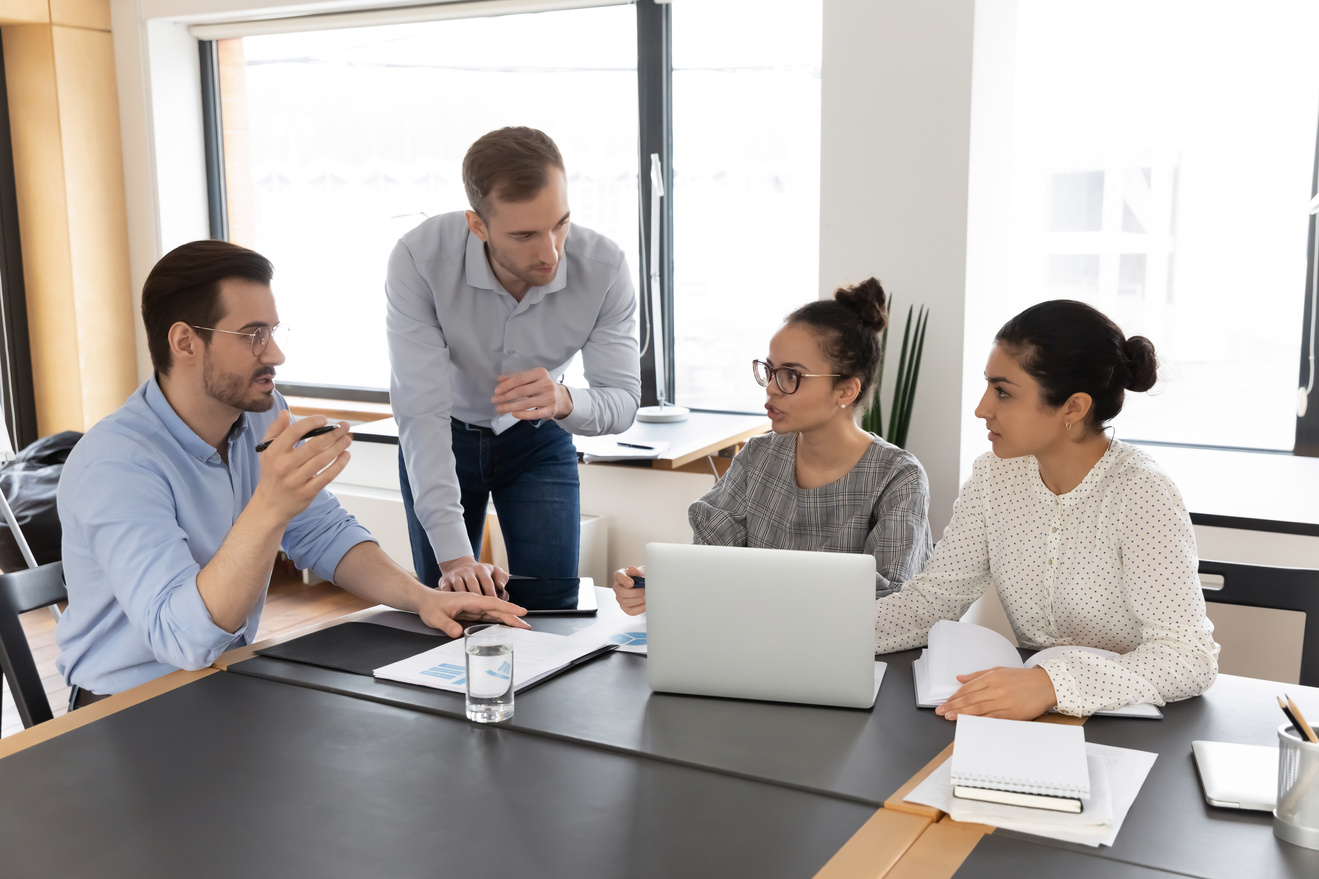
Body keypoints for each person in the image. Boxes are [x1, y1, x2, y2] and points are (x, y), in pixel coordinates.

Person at [55, 241, 527, 703]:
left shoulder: (259, 413)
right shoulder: (115, 466)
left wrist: (420, 597)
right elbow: (184, 643)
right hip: (123, 707)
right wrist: (271, 505)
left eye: (274, 331)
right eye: (253, 334)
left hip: (220, 680)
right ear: (185, 342)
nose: (276, 354)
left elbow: (320, 530)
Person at [874, 300, 1219, 719]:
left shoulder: (1141, 492)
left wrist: (1050, 684)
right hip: (1030, 716)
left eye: (1003, 392)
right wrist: (819, 631)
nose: (982, 408)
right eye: (988, 386)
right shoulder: (993, 476)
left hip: (1131, 724)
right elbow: (933, 600)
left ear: (1073, 407)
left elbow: (1188, 657)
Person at [388, 126, 640, 597]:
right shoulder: (419, 258)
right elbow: (420, 411)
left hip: (539, 439)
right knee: (451, 606)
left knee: (550, 603)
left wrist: (564, 400)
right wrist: (457, 557)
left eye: (560, 223)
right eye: (524, 234)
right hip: (443, 435)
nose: (551, 252)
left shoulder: (604, 267)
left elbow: (623, 401)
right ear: (477, 224)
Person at [611, 278, 934, 615]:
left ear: (846, 391)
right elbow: (708, 561)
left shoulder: (898, 477)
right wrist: (659, 583)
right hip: (748, 647)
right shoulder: (757, 457)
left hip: (850, 659)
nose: (772, 390)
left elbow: (895, 605)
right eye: (770, 370)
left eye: (792, 375)